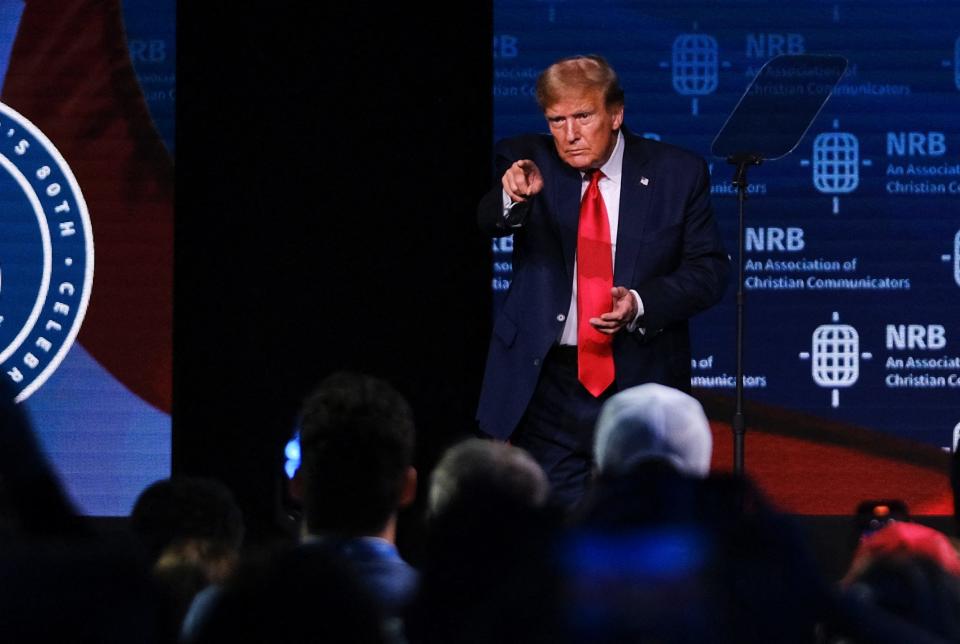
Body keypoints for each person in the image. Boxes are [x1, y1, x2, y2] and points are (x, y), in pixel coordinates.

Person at [476, 54, 729, 506]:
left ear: (616, 114)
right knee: (552, 538)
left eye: (583, 116)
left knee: (642, 529)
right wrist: (512, 196)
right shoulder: (527, 162)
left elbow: (709, 271)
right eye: (557, 120)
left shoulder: (677, 173)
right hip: (548, 386)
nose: (569, 135)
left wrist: (639, 303)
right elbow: (490, 220)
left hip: (639, 379)